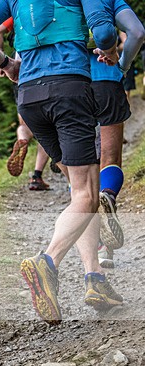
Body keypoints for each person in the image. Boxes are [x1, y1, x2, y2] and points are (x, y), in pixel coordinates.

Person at [0, 0, 122, 324]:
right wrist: (110, 50)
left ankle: (94, 278)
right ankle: (47, 262)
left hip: (29, 98)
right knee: (87, 192)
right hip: (68, 87)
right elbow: (105, 30)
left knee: (78, 191)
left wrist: (8, 64)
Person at [90, 3, 145, 268]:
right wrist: (122, 67)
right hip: (106, 82)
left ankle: (95, 250)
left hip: (64, 86)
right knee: (109, 159)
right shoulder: (105, 1)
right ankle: (108, 195)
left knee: (80, 171)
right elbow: (136, 32)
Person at [0, 17, 57, 190]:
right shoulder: (50, 8)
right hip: (46, 71)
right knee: (47, 125)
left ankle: (22, 139)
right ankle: (38, 173)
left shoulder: (17, 11)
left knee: (27, 124)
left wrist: (1, 61)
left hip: (20, 75)